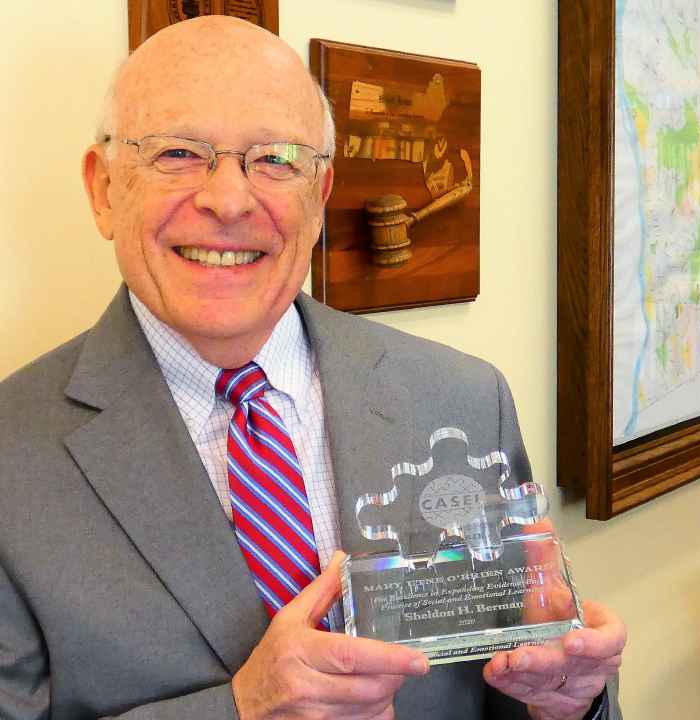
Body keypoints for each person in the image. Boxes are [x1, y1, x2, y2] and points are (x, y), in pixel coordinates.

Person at [0, 15, 625, 720]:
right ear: (105, 189)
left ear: (320, 198)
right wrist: (241, 709)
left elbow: (513, 674)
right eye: (177, 152)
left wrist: (566, 704)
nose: (229, 200)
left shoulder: (463, 401)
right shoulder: (12, 458)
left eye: (274, 159)